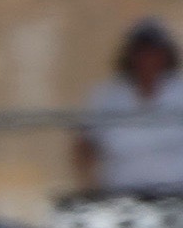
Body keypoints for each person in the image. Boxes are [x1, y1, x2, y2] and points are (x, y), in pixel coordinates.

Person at [76, 18, 183, 194]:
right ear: (129, 56)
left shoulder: (179, 93)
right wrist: (90, 188)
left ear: (166, 55)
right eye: (141, 52)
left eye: (154, 52)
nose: (147, 59)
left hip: (176, 197)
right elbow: (83, 148)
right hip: (121, 198)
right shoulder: (106, 96)